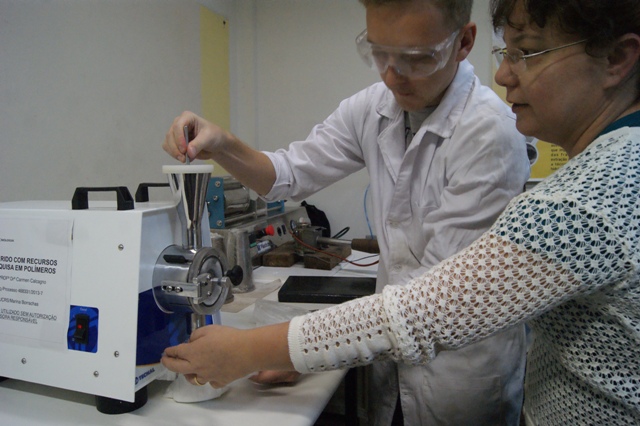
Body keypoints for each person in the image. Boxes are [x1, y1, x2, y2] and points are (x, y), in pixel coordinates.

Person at [162, 0, 640, 424]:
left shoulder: (563, 182)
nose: (392, 76)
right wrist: (222, 144)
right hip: (394, 356)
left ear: (462, 43)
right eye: (379, 53)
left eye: (528, 53)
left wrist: (259, 350)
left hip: (456, 380)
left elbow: (427, 310)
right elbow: (289, 173)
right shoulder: (378, 106)